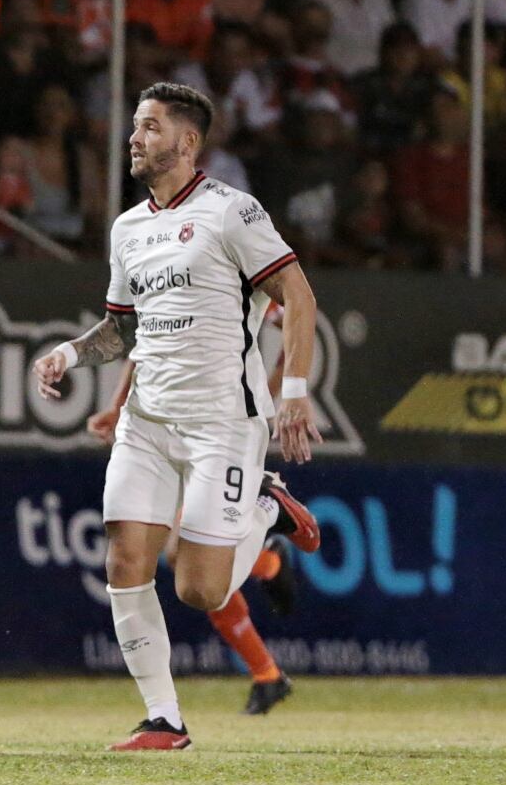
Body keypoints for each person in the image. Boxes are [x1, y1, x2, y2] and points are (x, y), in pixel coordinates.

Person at [32, 82, 322, 750]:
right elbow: (119, 331)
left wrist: (295, 391)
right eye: (135, 127)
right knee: (126, 559)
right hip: (147, 421)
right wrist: (72, 355)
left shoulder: (232, 212)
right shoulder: (127, 228)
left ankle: (267, 506)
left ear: (187, 143)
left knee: (200, 590)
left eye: (150, 127)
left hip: (223, 421)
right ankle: (165, 719)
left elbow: (298, 295)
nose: (134, 138)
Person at [88, 360, 298, 716]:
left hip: (224, 435)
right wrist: (119, 404)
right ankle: (267, 668)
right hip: (176, 433)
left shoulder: (239, 307)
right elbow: (147, 344)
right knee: (193, 572)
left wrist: (265, 397)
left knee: (190, 562)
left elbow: (295, 318)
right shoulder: (171, 313)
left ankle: (269, 521)